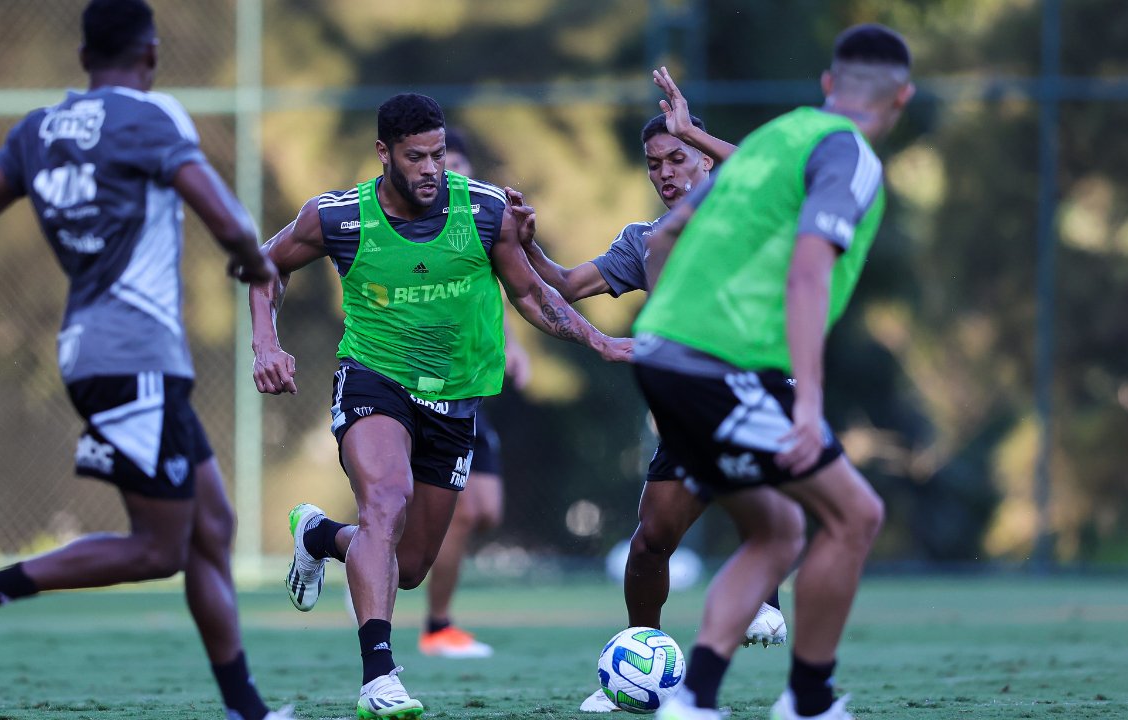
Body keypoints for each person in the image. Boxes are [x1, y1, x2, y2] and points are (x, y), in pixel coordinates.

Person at [249, 93, 630, 719]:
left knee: (410, 566)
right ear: (384, 154)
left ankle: (318, 533)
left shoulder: (485, 213)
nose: (431, 168)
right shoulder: (339, 217)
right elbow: (264, 266)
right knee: (386, 500)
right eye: (416, 157)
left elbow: (532, 296)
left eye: (437, 154)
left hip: (454, 400)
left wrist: (598, 340)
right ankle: (380, 676)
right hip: (374, 380)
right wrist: (267, 342)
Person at [0, 2, 291, 719]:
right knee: (159, 549)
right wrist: (253, 264)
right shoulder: (152, 119)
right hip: (133, 357)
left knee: (213, 529)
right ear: (150, 55)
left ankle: (249, 710)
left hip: (100, 352)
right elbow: (228, 219)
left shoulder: (36, 131)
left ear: (84, 58)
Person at [631, 25, 915, 720]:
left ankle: (694, 699)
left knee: (779, 531)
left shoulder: (781, 135)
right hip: (723, 367)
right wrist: (810, 404)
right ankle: (810, 701)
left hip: (664, 355)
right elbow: (811, 270)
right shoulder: (855, 160)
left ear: (826, 86)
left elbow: (666, 235)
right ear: (902, 99)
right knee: (856, 514)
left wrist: (664, 330)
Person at [513, 67, 793, 713]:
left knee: (769, 497)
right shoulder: (643, 243)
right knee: (648, 545)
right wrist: (529, 246)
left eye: (678, 157)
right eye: (654, 164)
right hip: (688, 416)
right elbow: (563, 285)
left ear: (702, 159)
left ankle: (768, 599)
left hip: (763, 390)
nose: (665, 172)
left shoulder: (743, 214)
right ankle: (646, 664)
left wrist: (693, 126)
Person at [417, 127, 532, 658]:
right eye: (445, 165)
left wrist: (514, 347)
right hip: (425, 385)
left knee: (486, 509)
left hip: (472, 388)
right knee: (458, 513)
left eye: (459, 165)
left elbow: (507, 290)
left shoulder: (480, 223)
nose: (451, 175)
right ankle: (439, 627)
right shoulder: (417, 230)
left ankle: (362, 547)